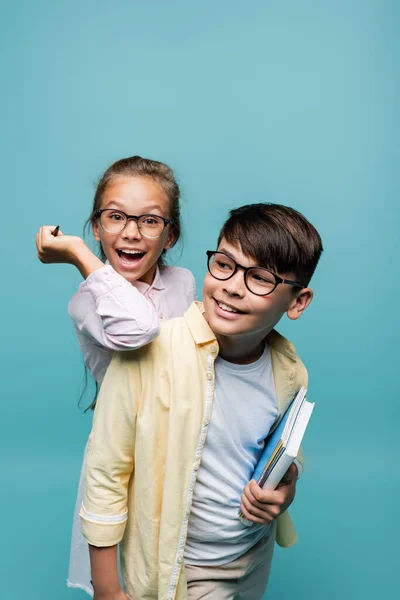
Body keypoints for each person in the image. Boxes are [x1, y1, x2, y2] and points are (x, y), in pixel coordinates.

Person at [79, 202, 323, 600]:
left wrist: (286, 485)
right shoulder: (150, 352)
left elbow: (270, 450)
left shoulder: (290, 370)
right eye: (224, 263)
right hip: (183, 569)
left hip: (252, 553)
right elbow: (105, 470)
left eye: (260, 277)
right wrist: (107, 588)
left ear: (297, 302)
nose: (232, 285)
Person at [36, 156, 196, 596]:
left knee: (180, 560)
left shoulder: (182, 282)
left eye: (149, 220)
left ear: (170, 235)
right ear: (97, 226)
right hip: (126, 448)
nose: (130, 232)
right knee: (134, 561)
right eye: (116, 217)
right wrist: (78, 256)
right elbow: (140, 329)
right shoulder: (87, 302)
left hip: (183, 438)